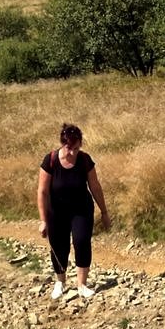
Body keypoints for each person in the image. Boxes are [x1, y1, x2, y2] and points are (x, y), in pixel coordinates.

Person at [37, 123, 111, 300]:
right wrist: (43, 219)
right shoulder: (51, 160)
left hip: (81, 209)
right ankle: (60, 282)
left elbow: (95, 186)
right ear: (63, 144)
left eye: (76, 148)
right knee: (58, 245)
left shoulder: (85, 160)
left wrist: (104, 212)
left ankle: (82, 285)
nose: (72, 153)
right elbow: (42, 191)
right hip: (57, 211)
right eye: (69, 148)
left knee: (82, 241)